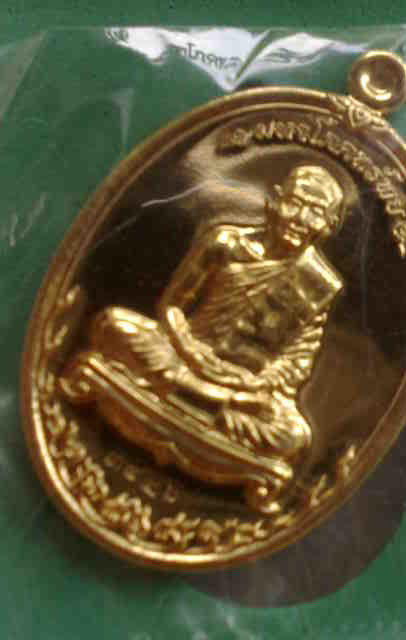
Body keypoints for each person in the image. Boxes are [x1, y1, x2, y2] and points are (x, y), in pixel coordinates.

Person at [60, 161, 358, 510]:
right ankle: (201, 405)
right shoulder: (225, 242)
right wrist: (188, 348)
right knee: (113, 326)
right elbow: (173, 305)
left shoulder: (318, 284)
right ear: (274, 200)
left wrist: (252, 385)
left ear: (329, 225)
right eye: (295, 203)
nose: (299, 218)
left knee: (293, 435)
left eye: (315, 213)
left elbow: (297, 361)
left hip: (239, 390)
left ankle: (182, 397)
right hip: (182, 357)